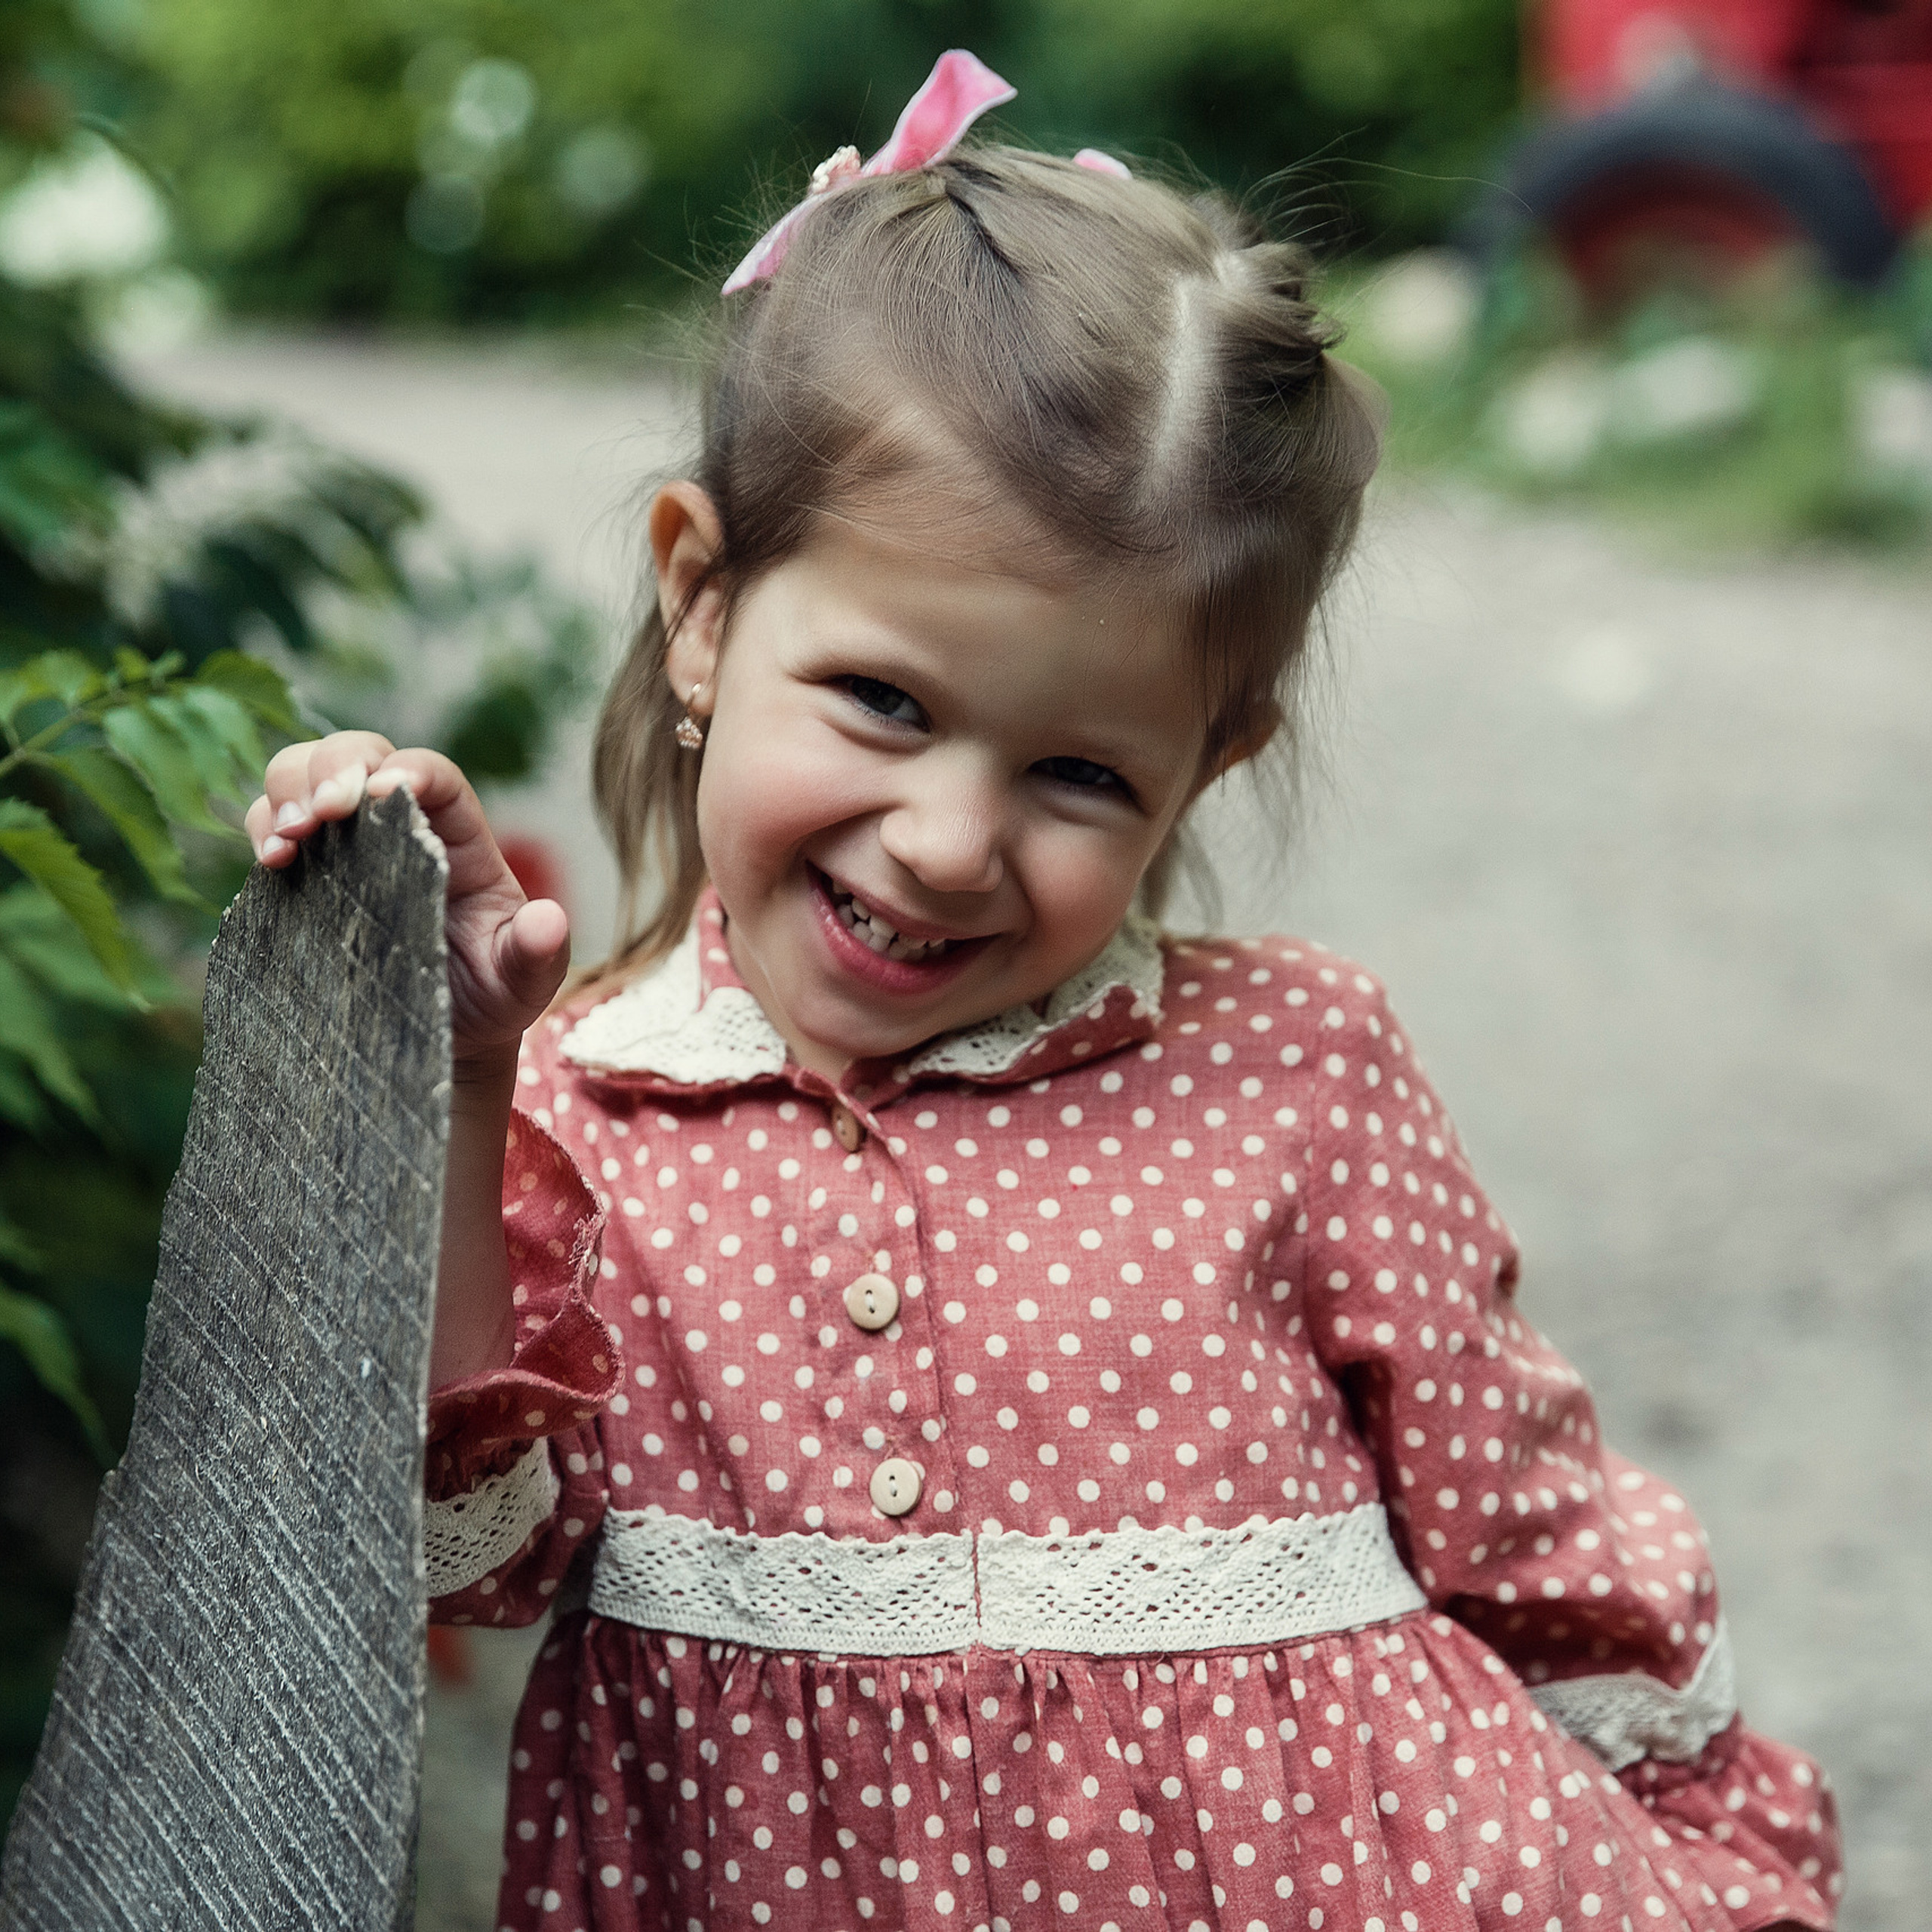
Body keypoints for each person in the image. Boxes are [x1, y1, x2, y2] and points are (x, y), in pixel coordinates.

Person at [248, 51, 1840, 1932]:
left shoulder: (1292, 1063)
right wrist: (458, 1082)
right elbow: (470, 1555)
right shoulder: (587, 1109)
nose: (943, 841)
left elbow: (1523, 1522)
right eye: (885, 703)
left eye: (1078, 775)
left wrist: (1695, 1837)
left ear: (1209, 758)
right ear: (700, 601)